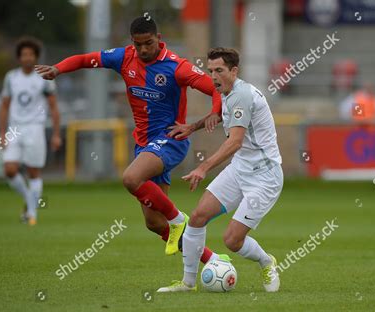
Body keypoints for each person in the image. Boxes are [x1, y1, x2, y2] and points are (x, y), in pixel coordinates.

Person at [35, 16, 228, 263]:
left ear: (159, 39)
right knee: (154, 223)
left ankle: (179, 219)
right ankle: (213, 261)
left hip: (170, 140)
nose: (143, 49)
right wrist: (58, 68)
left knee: (130, 178)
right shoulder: (123, 57)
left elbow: (215, 87)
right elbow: (85, 59)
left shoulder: (176, 66)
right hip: (145, 146)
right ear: (132, 42)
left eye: (148, 43)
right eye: (138, 45)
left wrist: (213, 113)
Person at [157, 48, 283, 293]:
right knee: (197, 218)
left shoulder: (242, 95)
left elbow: (235, 142)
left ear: (234, 71)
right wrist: (193, 127)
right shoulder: (227, 92)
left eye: (219, 71)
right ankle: (188, 283)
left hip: (264, 176)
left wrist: (203, 168)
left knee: (232, 241)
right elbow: (220, 116)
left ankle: (267, 262)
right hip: (240, 169)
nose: (213, 76)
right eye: (210, 70)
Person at [0, 37, 61, 226]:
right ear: (19, 58)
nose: (27, 58)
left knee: (33, 171)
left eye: (31, 54)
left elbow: (53, 108)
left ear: (35, 57)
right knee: (10, 169)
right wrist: (2, 133)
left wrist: (57, 134)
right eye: (24, 54)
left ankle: (32, 214)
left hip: (35, 127)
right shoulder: (11, 77)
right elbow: (4, 106)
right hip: (15, 128)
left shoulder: (44, 77)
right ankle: (29, 201)